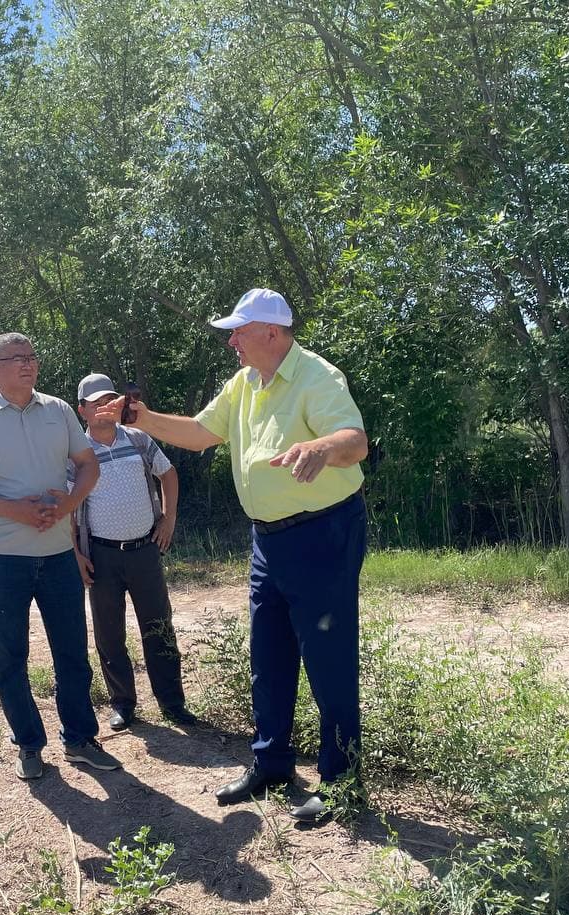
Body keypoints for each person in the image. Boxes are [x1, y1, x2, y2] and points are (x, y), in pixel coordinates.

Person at [95, 289, 368, 821]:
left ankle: (342, 782)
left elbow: (355, 440)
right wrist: (143, 418)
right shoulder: (245, 383)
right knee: (268, 654)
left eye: (238, 332)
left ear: (271, 332)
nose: (231, 341)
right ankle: (271, 764)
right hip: (269, 538)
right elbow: (200, 434)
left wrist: (319, 448)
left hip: (324, 533)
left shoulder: (316, 376)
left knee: (328, 658)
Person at [0, 333, 122, 780]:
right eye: (16, 359)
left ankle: (80, 739)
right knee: (9, 655)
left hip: (59, 553)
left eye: (31, 357)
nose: (27, 364)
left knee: (72, 652)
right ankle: (28, 744)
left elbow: (88, 464)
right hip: (3, 556)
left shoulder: (59, 410)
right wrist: (17, 512)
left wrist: (66, 504)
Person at [71, 372, 196, 731]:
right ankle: (123, 704)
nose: (104, 407)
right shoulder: (77, 453)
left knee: (158, 627)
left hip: (144, 550)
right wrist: (75, 553)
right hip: (101, 556)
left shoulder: (139, 440)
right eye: (95, 403)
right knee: (109, 634)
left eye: (109, 399)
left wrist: (168, 520)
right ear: (82, 410)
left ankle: (173, 703)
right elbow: (68, 506)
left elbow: (168, 475)